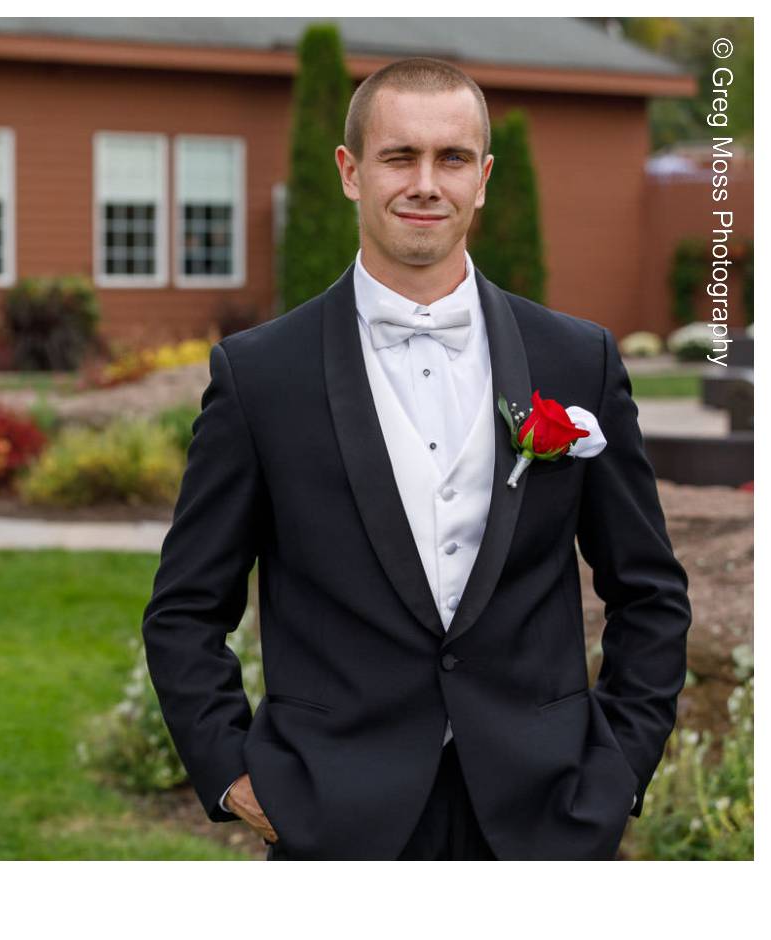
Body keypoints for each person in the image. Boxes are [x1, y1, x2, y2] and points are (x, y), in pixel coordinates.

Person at [140, 58, 691, 860]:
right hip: (337, 819)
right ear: (350, 171)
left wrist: (619, 768)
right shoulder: (260, 377)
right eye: (400, 156)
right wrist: (234, 777)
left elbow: (649, 590)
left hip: (546, 818)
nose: (426, 183)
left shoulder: (579, 361)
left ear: (483, 178)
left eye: (452, 159)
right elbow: (185, 610)